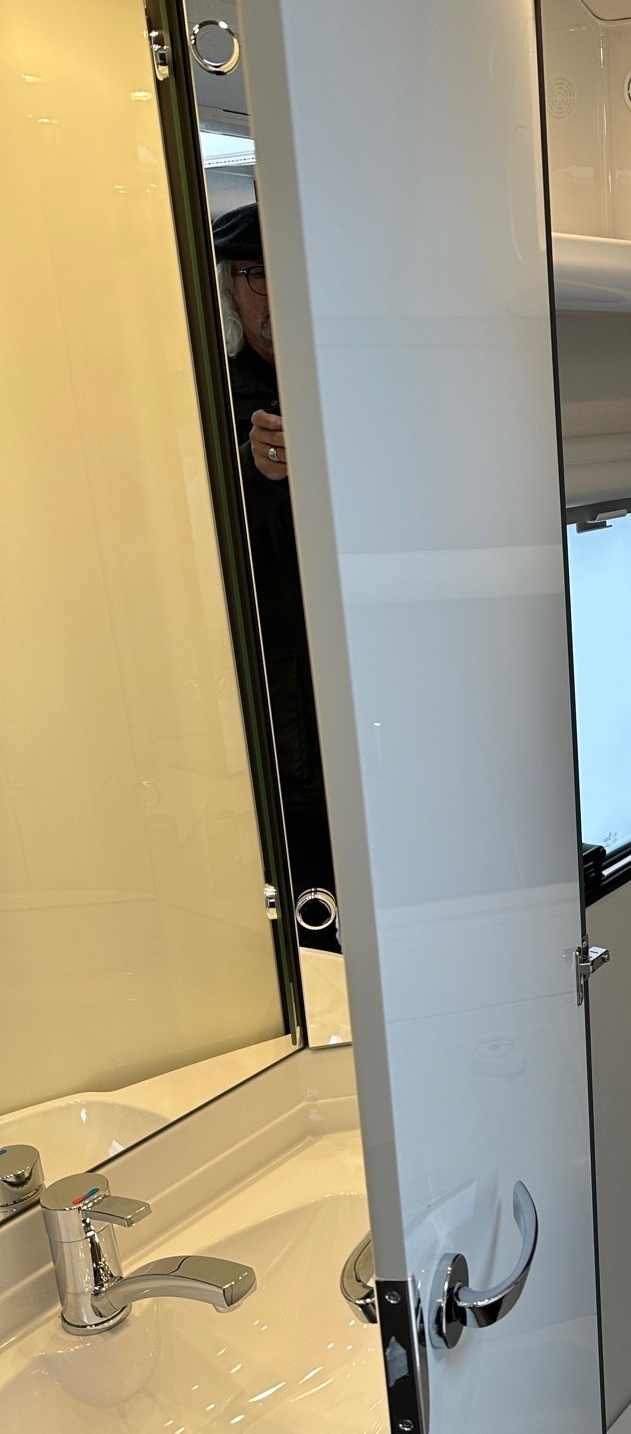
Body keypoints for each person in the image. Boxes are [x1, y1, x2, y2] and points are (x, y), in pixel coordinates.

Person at [212, 203, 338, 949]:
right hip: (277, 684)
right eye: (257, 274)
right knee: (303, 864)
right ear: (231, 288)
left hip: (366, 670)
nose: (273, 294)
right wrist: (252, 472)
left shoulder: (355, 386)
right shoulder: (204, 396)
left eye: (287, 271)